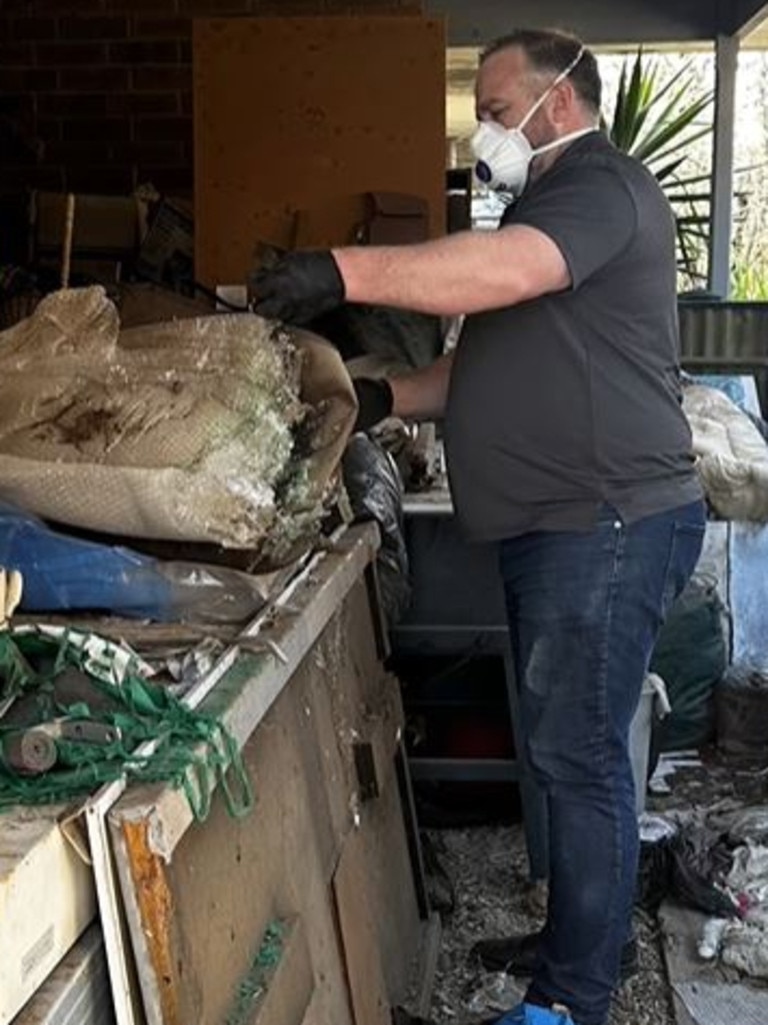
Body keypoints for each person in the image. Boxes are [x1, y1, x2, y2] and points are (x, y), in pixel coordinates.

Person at [250, 27, 706, 1025]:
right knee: (563, 751)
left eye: (496, 112)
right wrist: (386, 400)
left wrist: (341, 271)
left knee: (578, 757)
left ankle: (571, 999)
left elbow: (492, 276)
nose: (482, 134)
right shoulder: (545, 209)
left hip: (606, 525)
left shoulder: (599, 186)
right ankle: (580, 942)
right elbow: (483, 363)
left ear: (562, 105)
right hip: (568, 529)